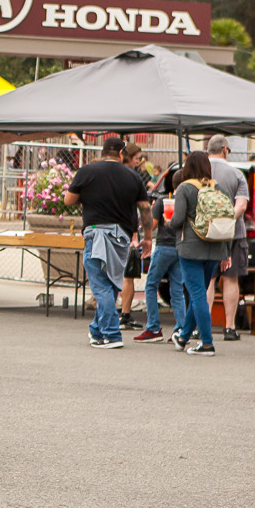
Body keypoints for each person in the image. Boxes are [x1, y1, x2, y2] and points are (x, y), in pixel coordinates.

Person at [63, 136, 150, 349]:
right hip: (121, 236)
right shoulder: (133, 176)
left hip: (95, 233)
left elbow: (68, 200)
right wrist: (148, 237)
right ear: (121, 153)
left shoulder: (87, 171)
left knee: (101, 286)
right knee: (110, 285)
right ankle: (97, 330)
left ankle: (111, 334)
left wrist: (87, 195)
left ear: (103, 152)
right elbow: (145, 209)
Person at [165, 151, 231, 357]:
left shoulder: (185, 188)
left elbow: (177, 220)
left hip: (191, 247)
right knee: (200, 292)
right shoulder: (215, 186)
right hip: (215, 246)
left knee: (196, 294)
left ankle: (207, 343)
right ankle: (184, 336)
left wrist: (168, 224)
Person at [205, 135, 251, 342]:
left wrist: (213, 223)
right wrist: (225, 222)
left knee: (208, 279)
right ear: (225, 150)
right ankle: (229, 327)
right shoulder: (236, 174)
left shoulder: (200, 172)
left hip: (203, 232)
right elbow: (241, 206)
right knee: (231, 279)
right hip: (234, 232)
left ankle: (201, 325)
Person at [136, 170, 189, 344]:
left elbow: (153, 224)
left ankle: (153, 327)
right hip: (180, 248)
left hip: (164, 246)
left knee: (151, 285)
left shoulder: (163, 200)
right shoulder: (187, 201)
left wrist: (151, 212)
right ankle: (181, 327)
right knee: (177, 289)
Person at [116, 143, 152, 329]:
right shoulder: (132, 177)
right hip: (127, 231)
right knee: (127, 275)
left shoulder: (112, 175)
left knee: (115, 274)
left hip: (113, 229)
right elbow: (142, 207)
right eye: (136, 157)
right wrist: (143, 235)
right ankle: (125, 314)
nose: (138, 161)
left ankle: (114, 314)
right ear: (126, 156)